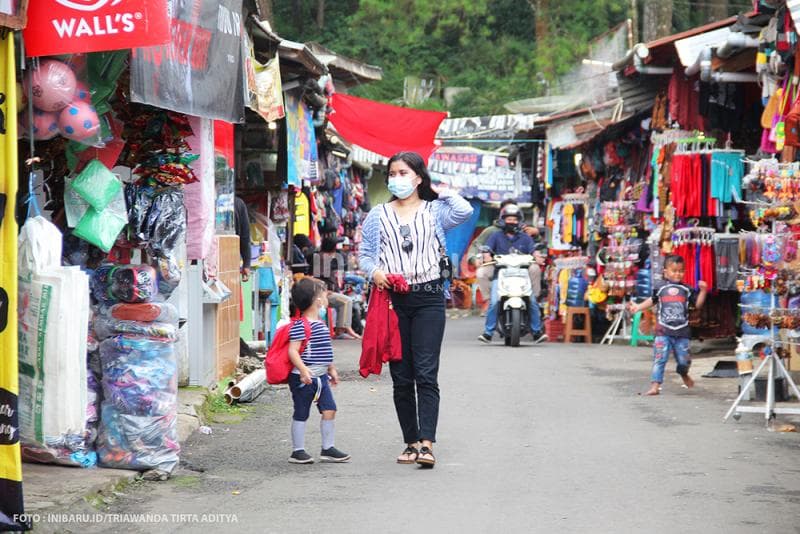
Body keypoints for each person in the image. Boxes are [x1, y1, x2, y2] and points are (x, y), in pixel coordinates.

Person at [359, 151, 473, 469]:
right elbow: (365, 255)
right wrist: (374, 273)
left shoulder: (435, 212)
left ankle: (427, 443)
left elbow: (464, 210)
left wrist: (439, 190)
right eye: (393, 173)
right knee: (401, 376)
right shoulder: (377, 216)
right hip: (394, 300)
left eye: (404, 173)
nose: (397, 178)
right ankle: (410, 442)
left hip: (429, 298)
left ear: (418, 178)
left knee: (425, 373)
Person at [287, 277, 350, 464]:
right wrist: (303, 370)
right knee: (301, 412)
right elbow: (293, 350)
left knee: (330, 409)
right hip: (303, 377)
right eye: (324, 293)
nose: (327, 297)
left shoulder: (320, 323)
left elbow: (324, 349)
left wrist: (330, 368)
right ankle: (297, 451)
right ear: (317, 300)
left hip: (321, 376)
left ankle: (327, 448)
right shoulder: (301, 325)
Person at [627, 255, 708, 396]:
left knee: (684, 360)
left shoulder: (687, 290)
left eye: (681, 271)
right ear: (665, 272)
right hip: (662, 331)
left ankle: (683, 374)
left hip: (682, 332)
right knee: (659, 358)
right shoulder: (660, 288)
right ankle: (655, 386)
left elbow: (698, 305)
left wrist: (703, 291)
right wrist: (638, 307)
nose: (677, 274)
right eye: (674, 271)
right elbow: (652, 301)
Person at [478, 204, 547, 344]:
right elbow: (487, 249)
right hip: (501, 273)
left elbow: (534, 250)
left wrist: (538, 256)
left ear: (519, 221)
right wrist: (486, 256)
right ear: (503, 220)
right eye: (509, 218)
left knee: (532, 301)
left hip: (522, 274)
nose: (511, 222)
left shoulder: (526, 237)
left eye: (514, 219)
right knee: (495, 302)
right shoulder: (495, 236)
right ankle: (488, 332)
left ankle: (536, 332)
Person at [316, 237, 361, 339]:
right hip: (323, 293)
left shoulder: (324, 257)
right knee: (347, 301)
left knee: (346, 300)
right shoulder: (323, 258)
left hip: (326, 292)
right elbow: (318, 278)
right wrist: (325, 291)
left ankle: (342, 330)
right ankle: (343, 330)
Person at [234, 196, 251, 281]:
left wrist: (246, 263)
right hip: (231, 258)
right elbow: (245, 237)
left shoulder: (238, 204)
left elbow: (245, 236)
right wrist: (247, 264)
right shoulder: (238, 203)